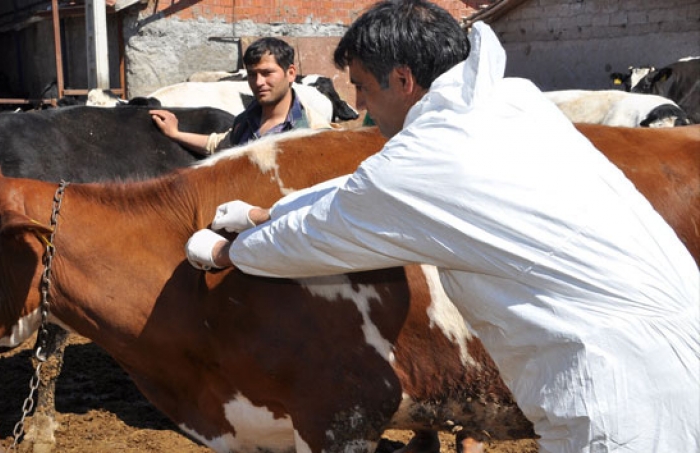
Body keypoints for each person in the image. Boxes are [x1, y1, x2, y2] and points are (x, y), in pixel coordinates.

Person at [184, 1, 700, 452]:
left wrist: (231, 253)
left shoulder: (427, 160)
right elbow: (369, 186)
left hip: (618, 394)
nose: (358, 105)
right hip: (683, 346)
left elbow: (323, 233)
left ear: (403, 80)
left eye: (362, 88)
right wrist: (266, 213)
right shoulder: (507, 101)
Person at [149, 37, 332, 156]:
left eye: (267, 73)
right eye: (252, 74)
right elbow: (218, 144)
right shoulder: (245, 121)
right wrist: (175, 133)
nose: (258, 82)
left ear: (291, 73)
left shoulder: (314, 132)